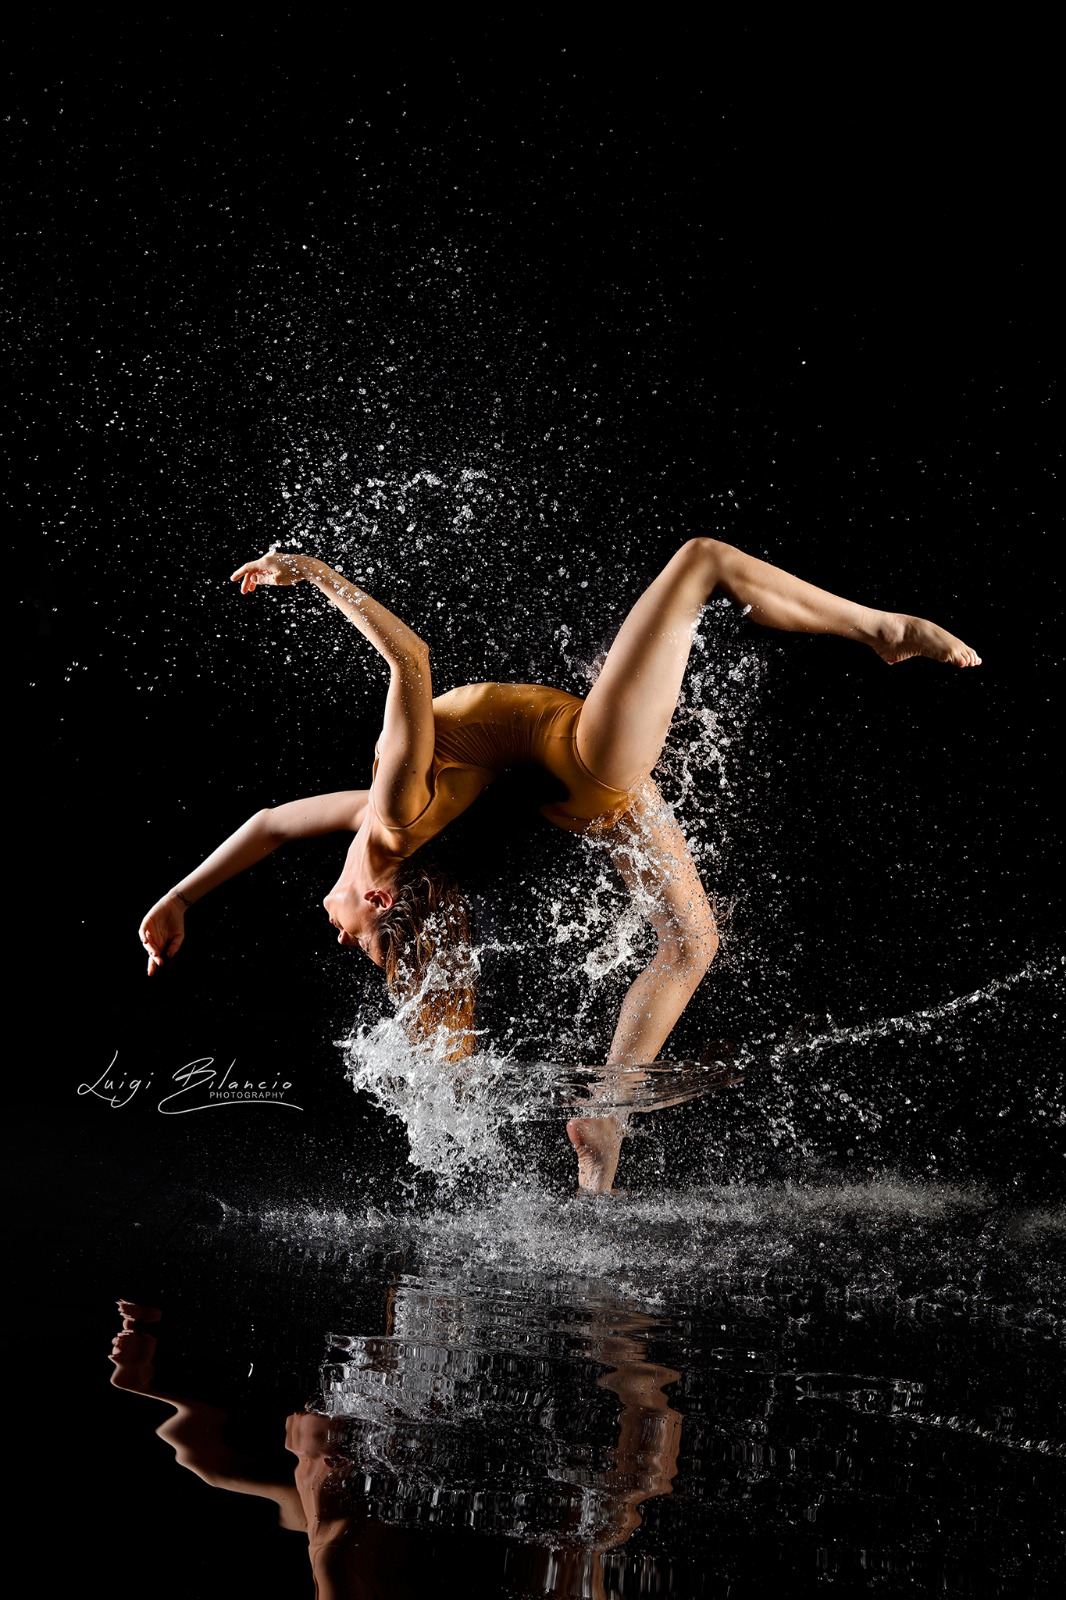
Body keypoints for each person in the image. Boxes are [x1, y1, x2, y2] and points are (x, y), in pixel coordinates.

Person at [139, 538, 979, 1192]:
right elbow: (411, 660)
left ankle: (607, 1117)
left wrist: (180, 896)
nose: (346, 939)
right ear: (380, 897)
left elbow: (269, 824)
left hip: (581, 783)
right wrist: (318, 576)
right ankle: (884, 629)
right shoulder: (391, 817)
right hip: (578, 755)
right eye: (369, 941)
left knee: (691, 941)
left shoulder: (372, 824)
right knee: (701, 562)